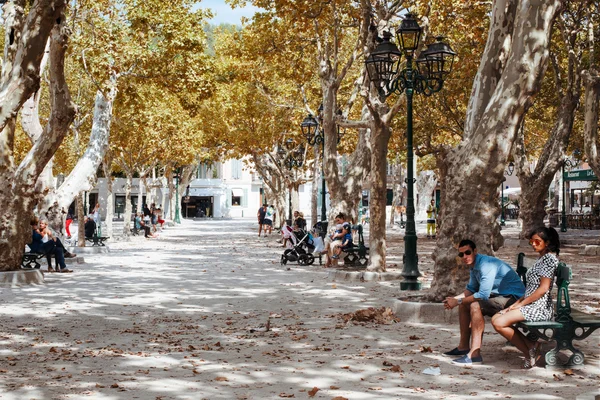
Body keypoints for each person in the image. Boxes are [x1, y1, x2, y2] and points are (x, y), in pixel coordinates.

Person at [442, 239, 525, 366]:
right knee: (464, 304)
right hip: (500, 296)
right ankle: (463, 347)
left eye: (468, 253)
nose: (465, 257)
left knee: (475, 305)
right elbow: (471, 290)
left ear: (475, 251)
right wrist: (454, 300)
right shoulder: (474, 266)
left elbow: (483, 295)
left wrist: (457, 301)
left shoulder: (486, 265)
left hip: (513, 299)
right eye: (461, 254)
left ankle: (475, 354)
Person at [492, 227, 560, 368]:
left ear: (547, 242)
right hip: (530, 303)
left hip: (540, 307)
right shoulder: (541, 258)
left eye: (537, 241)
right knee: (495, 319)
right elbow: (531, 289)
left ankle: (529, 352)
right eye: (532, 242)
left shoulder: (549, 259)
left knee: (499, 323)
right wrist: (517, 303)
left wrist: (521, 305)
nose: (534, 244)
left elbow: (543, 289)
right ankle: (532, 347)